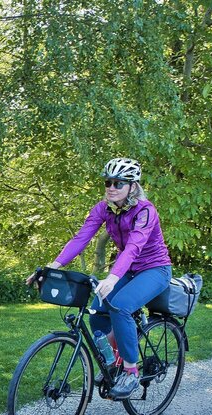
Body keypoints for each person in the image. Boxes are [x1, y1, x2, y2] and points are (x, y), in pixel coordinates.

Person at [27, 158, 172, 399]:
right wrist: (52, 267)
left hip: (155, 269)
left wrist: (113, 277)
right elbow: (80, 239)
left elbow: (134, 248)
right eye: (108, 182)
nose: (111, 187)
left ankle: (131, 373)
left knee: (122, 307)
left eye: (119, 183)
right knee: (97, 312)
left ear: (133, 187)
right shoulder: (103, 208)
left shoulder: (146, 211)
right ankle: (112, 361)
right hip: (126, 270)